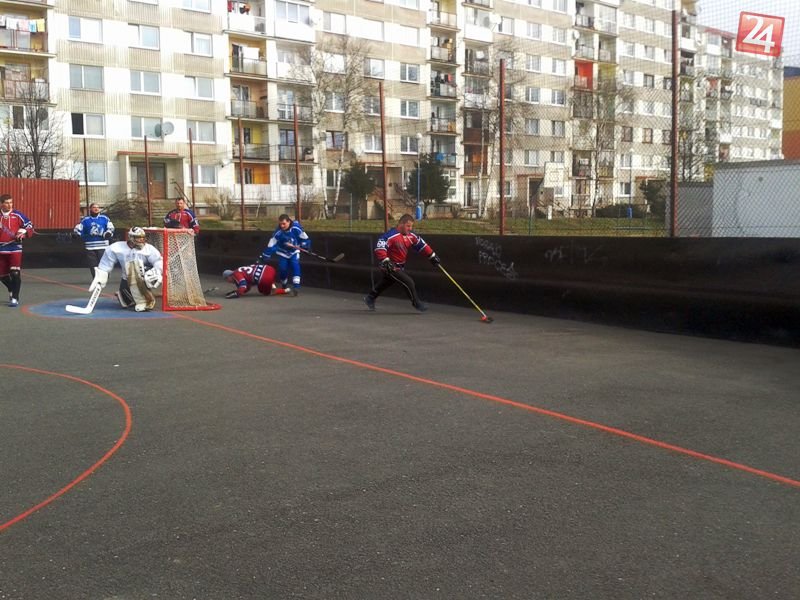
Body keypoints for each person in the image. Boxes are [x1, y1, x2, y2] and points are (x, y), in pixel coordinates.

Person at [364, 213, 440, 313]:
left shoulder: (411, 236)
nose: (410, 228)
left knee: (386, 282)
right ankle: (416, 303)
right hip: (389, 266)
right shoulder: (391, 235)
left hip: (400, 267)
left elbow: (422, 245)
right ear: (401, 224)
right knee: (408, 282)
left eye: (411, 226)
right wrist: (385, 260)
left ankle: (370, 298)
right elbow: (380, 247)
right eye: (408, 226)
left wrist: (432, 256)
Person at [89, 227, 163, 312]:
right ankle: (127, 294)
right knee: (126, 302)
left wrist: (156, 271)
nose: (141, 240)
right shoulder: (116, 247)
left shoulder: (149, 249)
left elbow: (159, 261)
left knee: (134, 266)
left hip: (146, 275)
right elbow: (105, 264)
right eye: (138, 237)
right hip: (126, 278)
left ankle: (144, 301)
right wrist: (102, 274)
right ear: (131, 238)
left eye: (143, 237)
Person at [259, 214, 310, 293]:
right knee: (283, 269)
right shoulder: (278, 232)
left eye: (284, 223)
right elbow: (271, 245)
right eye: (280, 224)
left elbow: (305, 238)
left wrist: (305, 246)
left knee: (295, 266)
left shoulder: (296, 228)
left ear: (289, 222)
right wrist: (264, 256)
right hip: (282, 253)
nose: (282, 226)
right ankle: (284, 284)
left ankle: (296, 286)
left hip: (294, 252)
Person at [0, 194, 33, 307]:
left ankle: (15, 298)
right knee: (2, 276)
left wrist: (23, 234)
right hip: (1, 249)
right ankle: (11, 289)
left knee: (15, 273)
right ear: (1, 204)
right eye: (7, 203)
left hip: (15, 247)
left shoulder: (17, 215)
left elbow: (29, 225)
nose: (10, 205)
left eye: (11, 202)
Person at [73, 203, 115, 278]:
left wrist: (108, 233)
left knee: (103, 263)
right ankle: (96, 278)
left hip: (103, 246)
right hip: (90, 247)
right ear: (90, 209)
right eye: (94, 207)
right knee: (93, 265)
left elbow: (111, 228)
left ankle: (105, 275)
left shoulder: (104, 218)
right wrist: (77, 234)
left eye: (97, 207)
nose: (96, 209)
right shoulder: (85, 220)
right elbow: (78, 229)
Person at [222, 263, 296, 298]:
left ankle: (285, 290)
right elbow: (247, 288)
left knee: (264, 292)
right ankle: (273, 284)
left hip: (265, 278)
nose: (228, 282)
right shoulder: (240, 270)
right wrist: (237, 290)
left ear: (228, 277)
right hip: (269, 268)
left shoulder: (235, 274)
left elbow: (243, 285)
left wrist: (237, 293)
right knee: (263, 281)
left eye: (227, 279)